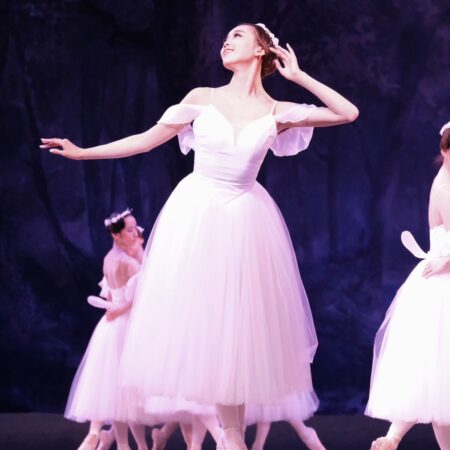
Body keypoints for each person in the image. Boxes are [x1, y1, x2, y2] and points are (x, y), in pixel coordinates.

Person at [41, 22, 358, 450]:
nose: (227, 41)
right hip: (197, 217)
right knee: (209, 323)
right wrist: (84, 153)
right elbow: (144, 141)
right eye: (226, 37)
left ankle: (232, 438)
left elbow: (347, 113)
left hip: (246, 221)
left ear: (261, 50)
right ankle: (230, 437)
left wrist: (298, 76)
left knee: (237, 329)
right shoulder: (202, 99)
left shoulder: (277, 112)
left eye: (238, 36)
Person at [366, 122, 450, 450]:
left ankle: (393, 436)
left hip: (434, 281)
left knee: (436, 376)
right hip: (442, 279)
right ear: (444, 151)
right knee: (436, 373)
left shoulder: (442, 180)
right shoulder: (445, 186)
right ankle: (393, 436)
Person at [65, 209, 148, 450]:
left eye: (135, 229)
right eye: (130, 230)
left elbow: (111, 295)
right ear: (117, 235)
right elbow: (141, 298)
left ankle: (108, 438)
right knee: (123, 392)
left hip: (109, 326)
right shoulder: (129, 263)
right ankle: (122, 443)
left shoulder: (108, 259)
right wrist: (119, 310)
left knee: (113, 391)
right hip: (125, 325)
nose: (136, 233)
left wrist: (113, 309)